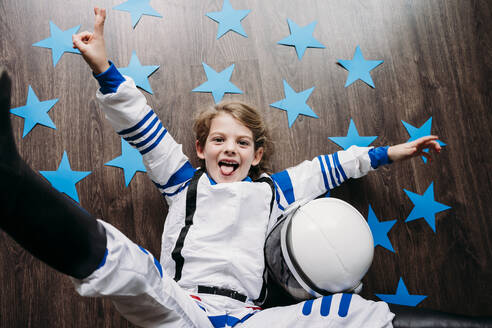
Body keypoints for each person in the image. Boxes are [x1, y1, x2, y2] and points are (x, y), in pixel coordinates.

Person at [1, 7, 452, 328]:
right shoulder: (182, 182)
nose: (228, 149)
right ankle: (9, 181)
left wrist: (390, 153)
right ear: (201, 149)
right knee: (128, 265)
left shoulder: (276, 190)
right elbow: (141, 123)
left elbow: (329, 167)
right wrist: (103, 67)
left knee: (354, 315)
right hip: (183, 308)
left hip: (253, 320)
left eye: (242, 143)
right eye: (218, 140)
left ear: (257, 156)